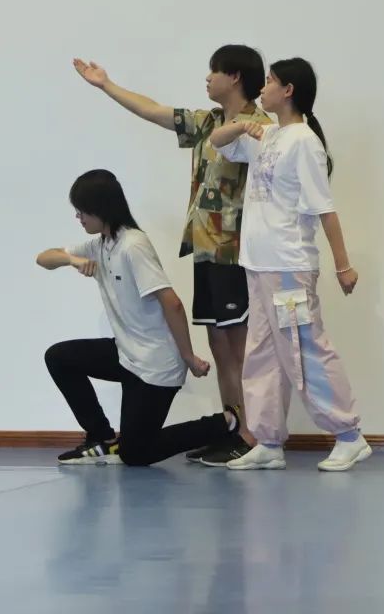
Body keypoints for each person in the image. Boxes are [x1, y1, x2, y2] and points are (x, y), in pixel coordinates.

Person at [72, 47, 272, 466]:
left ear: (235, 77)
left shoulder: (258, 127)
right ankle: (231, 428)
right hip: (206, 250)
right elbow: (152, 110)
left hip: (235, 252)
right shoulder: (208, 122)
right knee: (220, 345)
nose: (207, 78)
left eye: (214, 71)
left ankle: (252, 435)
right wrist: (106, 85)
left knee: (239, 348)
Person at [208, 57, 370, 472]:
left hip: (289, 268)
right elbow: (217, 140)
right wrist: (242, 126)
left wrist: (343, 266)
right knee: (261, 354)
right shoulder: (269, 134)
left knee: (305, 350)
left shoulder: (304, 142)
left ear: (289, 90)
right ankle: (268, 441)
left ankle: (349, 436)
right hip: (258, 265)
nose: (262, 89)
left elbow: (324, 209)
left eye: (270, 82)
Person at [37, 169, 240, 466]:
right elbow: (43, 258)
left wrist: (188, 357)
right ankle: (103, 438)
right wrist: (71, 259)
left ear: (101, 209)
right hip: (127, 355)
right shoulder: (101, 244)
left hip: (155, 365)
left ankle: (223, 423)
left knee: (136, 453)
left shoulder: (133, 245)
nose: (78, 217)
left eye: (82, 211)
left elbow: (172, 303)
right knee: (59, 357)